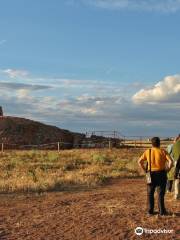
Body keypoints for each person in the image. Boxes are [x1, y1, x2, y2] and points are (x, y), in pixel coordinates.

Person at [138, 137, 173, 216]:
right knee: (160, 193)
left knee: (150, 193)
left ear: (152, 143)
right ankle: (162, 212)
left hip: (150, 174)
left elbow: (139, 161)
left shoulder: (148, 151)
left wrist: (145, 170)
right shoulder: (163, 151)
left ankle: (150, 211)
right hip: (161, 173)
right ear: (159, 143)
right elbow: (171, 162)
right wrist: (167, 169)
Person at [172, 135, 180, 200]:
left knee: (177, 179)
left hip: (177, 163)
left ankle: (177, 194)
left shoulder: (175, 144)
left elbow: (173, 155)